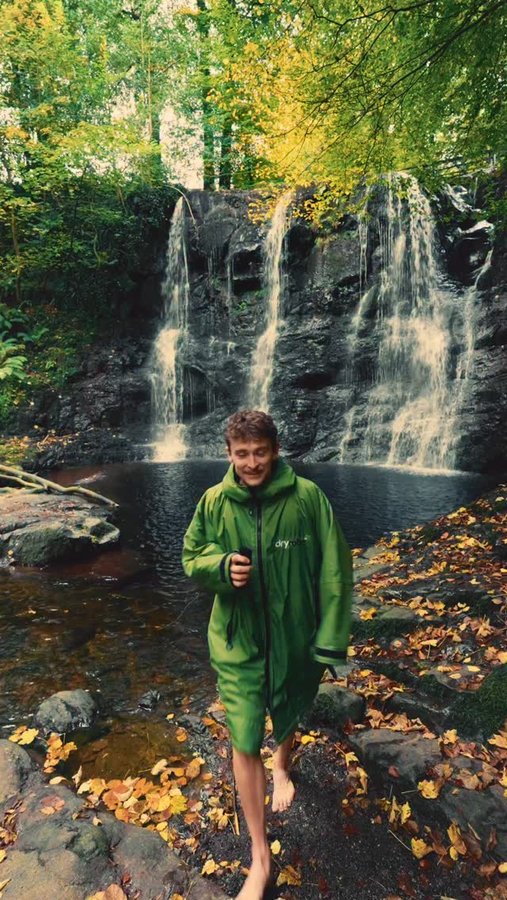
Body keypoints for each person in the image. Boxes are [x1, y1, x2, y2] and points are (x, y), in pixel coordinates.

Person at [182, 409, 353, 900]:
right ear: (229, 454)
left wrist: (329, 637)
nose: (251, 463)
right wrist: (219, 567)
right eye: (242, 454)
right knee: (243, 733)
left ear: (274, 450)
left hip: (295, 636)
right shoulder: (214, 502)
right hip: (238, 641)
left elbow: (336, 568)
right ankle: (260, 857)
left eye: (260, 452)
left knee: (290, 702)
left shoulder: (307, 500)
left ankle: (282, 766)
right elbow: (191, 555)